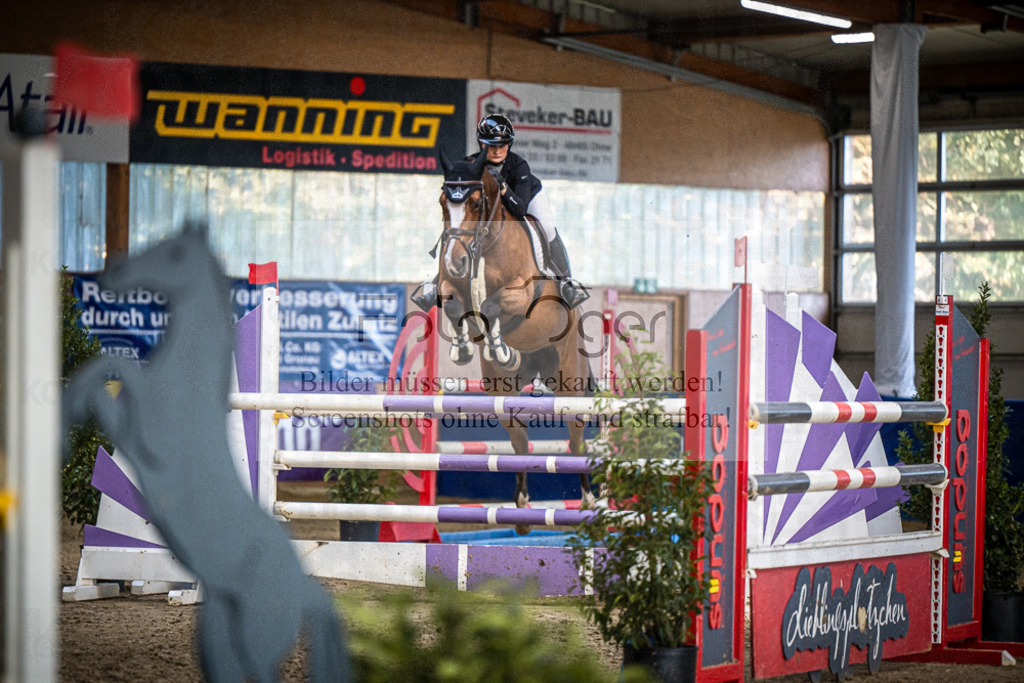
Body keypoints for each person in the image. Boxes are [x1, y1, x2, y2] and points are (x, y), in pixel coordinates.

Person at [411, 114, 589, 311]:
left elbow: (519, 209)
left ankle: (566, 283)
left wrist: (503, 188)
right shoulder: (470, 164)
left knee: (547, 229)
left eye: (502, 145)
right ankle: (436, 285)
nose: (497, 151)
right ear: (481, 144)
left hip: (527, 198)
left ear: (509, 145)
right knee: (459, 226)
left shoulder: (519, 166)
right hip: (491, 213)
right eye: (491, 145)